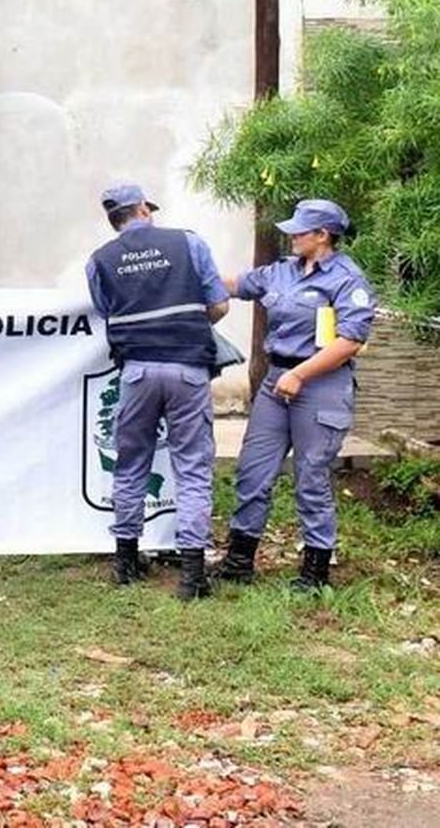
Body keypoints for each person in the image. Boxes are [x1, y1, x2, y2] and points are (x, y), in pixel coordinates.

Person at [215, 199, 375, 591]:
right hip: (276, 383)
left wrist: (302, 374)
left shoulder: (346, 280)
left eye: (299, 231)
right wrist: (186, 274)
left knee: (311, 477)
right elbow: (234, 285)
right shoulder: (281, 272)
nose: (291, 237)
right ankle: (238, 561)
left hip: (320, 386)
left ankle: (314, 573)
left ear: (323, 236)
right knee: (254, 470)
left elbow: (351, 340)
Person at [86, 183, 230, 600]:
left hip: (136, 373)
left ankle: (126, 562)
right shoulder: (187, 242)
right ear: (145, 209)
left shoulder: (100, 261)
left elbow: (105, 310)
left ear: (114, 219)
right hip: (187, 370)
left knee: (130, 464)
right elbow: (219, 304)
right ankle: (191, 576)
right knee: (192, 468)